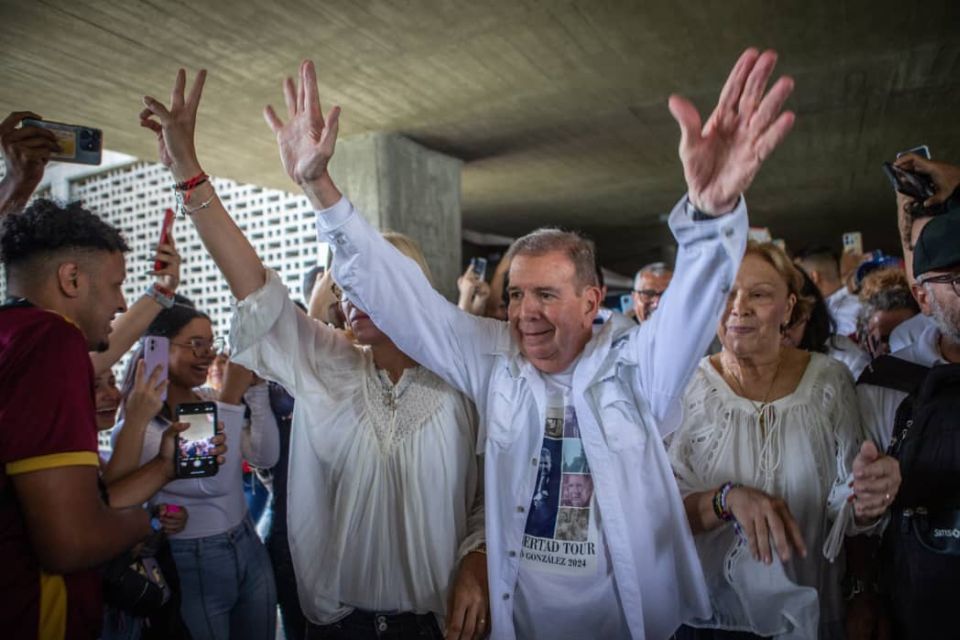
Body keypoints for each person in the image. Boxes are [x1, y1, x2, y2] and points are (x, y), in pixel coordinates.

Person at [264, 48, 798, 638]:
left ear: (593, 301)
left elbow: (692, 309)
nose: (525, 313)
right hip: (519, 621)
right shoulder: (493, 358)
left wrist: (710, 214)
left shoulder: (636, 368)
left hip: (623, 621)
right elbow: (405, 302)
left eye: (546, 295)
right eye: (516, 295)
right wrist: (319, 186)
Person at [139, 68, 488, 640]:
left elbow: (489, 497)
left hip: (442, 623)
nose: (346, 297)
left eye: (364, 284)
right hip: (340, 623)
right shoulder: (329, 364)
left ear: (408, 289)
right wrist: (189, 173)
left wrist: (478, 558)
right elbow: (254, 286)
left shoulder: (463, 379)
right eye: (341, 286)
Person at [667, 241, 900, 639]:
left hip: (808, 615)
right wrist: (726, 499)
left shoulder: (828, 382)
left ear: (789, 308)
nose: (739, 307)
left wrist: (867, 499)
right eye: (727, 294)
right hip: (706, 620)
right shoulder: (683, 389)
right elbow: (661, 515)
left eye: (759, 294)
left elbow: (846, 509)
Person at [0, 199, 155, 639]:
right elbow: (68, 543)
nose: (122, 303)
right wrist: (146, 523)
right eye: (116, 285)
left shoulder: (12, 334)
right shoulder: (52, 339)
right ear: (72, 279)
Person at [111, 300, 280, 640]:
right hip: (197, 558)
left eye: (210, 343)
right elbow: (210, 481)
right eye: (195, 344)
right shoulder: (138, 426)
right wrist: (232, 397)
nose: (206, 354)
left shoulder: (206, 398)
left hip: (248, 541)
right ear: (156, 349)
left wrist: (257, 391)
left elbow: (265, 455)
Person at [782, 269, 870, 378]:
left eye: (791, 320)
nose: (782, 332)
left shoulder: (845, 359)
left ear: (808, 311)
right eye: (772, 323)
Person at [795, 246, 862, 337]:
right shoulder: (860, 303)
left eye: (798, 279)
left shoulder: (817, 317)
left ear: (814, 277)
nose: (795, 286)